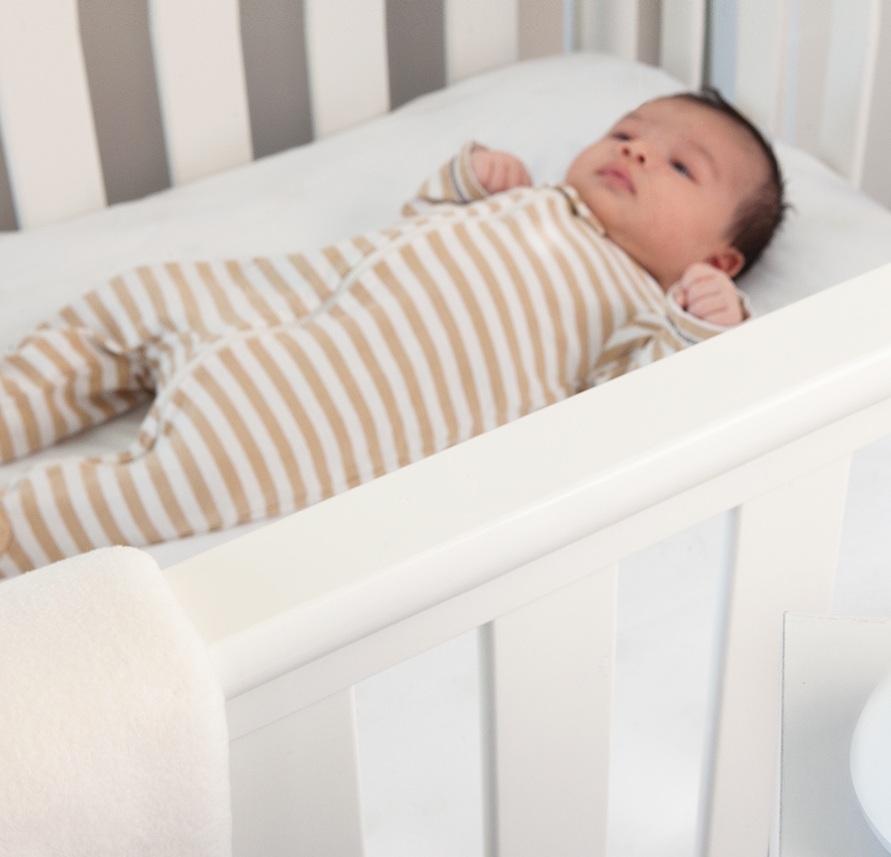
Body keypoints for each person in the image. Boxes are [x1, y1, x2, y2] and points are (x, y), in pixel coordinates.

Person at [0, 89, 785, 575]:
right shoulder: (537, 200)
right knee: (141, 296)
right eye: (625, 131)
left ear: (720, 259)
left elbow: (638, 410)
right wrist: (466, 182)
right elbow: (417, 226)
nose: (636, 149)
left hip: (310, 413)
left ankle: (17, 526)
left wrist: (702, 328)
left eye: (681, 168)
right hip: (274, 297)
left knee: (183, 481)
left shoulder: (642, 309)